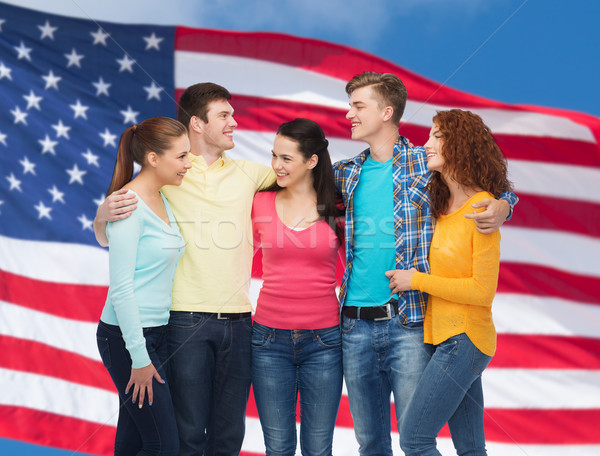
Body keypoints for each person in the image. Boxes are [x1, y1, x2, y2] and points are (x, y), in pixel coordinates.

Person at [332, 72, 518, 456]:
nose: (348, 113)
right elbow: (291, 173)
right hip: (352, 324)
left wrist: (504, 205)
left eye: (357, 105)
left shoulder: (425, 162)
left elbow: (488, 188)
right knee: (370, 442)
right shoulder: (344, 172)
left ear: (387, 112)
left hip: (409, 322)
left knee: (415, 438)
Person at [94, 83, 275, 456]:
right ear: (197, 123)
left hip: (239, 321)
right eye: (224, 115)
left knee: (226, 437)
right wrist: (100, 217)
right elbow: (115, 238)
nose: (234, 123)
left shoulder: (250, 172)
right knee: (182, 436)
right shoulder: (170, 172)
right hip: (182, 321)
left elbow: (303, 175)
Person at [391, 109, 512, 456]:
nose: (426, 144)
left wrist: (417, 280)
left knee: (414, 439)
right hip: (443, 338)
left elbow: (481, 291)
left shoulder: (481, 210)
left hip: (464, 340)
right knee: (472, 449)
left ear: (459, 145)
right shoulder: (440, 205)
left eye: (436, 136)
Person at [96, 116, 191, 456]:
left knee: (135, 438)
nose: (188, 163)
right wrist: (139, 357)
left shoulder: (163, 199)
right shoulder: (129, 205)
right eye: (181, 156)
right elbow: (121, 289)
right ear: (153, 158)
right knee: (163, 444)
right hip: (127, 338)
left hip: (157, 333)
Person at [251, 118, 344, 456]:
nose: (277, 165)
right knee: (278, 447)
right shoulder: (259, 202)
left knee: (318, 448)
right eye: (274, 155)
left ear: (312, 161)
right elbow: (233, 263)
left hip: (325, 342)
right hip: (267, 341)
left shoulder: (338, 206)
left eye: (286, 158)